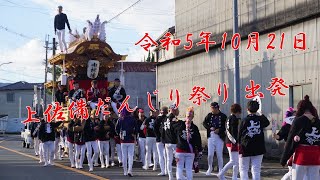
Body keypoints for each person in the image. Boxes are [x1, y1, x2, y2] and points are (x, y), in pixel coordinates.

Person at [281, 95, 320, 180]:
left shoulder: (298, 120)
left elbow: (290, 141)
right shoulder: (318, 121)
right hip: (316, 154)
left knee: (297, 178)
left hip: (302, 154)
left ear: (300, 109)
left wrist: (284, 159)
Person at [238, 100, 270, 180]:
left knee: (243, 169)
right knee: (256, 170)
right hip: (259, 147)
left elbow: (239, 134)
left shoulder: (244, 120)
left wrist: (238, 144)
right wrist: (261, 113)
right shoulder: (260, 119)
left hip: (245, 147)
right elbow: (267, 123)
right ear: (257, 109)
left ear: (247, 109)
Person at [173, 106, 202, 180]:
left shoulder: (179, 124)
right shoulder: (194, 127)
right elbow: (198, 140)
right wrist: (199, 150)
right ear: (193, 117)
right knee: (189, 169)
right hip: (190, 151)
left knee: (179, 168)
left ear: (185, 116)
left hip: (180, 150)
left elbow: (172, 131)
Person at [217, 104, 242, 180]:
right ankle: (221, 174)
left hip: (229, 141)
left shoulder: (229, 118)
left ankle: (234, 176)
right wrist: (236, 141)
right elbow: (233, 132)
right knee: (233, 160)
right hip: (232, 141)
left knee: (236, 161)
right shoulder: (234, 119)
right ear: (237, 111)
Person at [203, 102, 227, 175]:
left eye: (214, 108)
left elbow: (225, 126)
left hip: (219, 137)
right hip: (211, 136)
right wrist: (209, 128)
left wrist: (219, 130)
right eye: (212, 108)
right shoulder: (209, 115)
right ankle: (210, 167)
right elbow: (204, 123)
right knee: (210, 154)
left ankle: (220, 169)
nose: (212, 110)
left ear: (217, 108)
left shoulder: (223, 116)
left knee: (219, 154)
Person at [273, 107, 296, 180]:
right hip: (289, 149)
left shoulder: (300, 124)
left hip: (300, 149)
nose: (296, 115)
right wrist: (274, 134)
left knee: (296, 170)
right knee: (292, 170)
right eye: (294, 113)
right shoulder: (286, 126)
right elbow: (279, 136)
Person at [116, 108, 137, 177]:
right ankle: (130, 170)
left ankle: (125, 171)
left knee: (124, 156)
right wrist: (134, 133)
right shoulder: (133, 119)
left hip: (123, 139)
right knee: (130, 156)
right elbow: (137, 128)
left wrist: (119, 133)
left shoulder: (120, 119)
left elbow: (116, 128)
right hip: (131, 139)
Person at [163, 104, 179, 180]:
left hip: (167, 141)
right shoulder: (174, 118)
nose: (177, 111)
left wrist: (163, 139)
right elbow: (176, 130)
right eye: (176, 109)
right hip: (174, 142)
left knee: (169, 159)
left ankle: (170, 176)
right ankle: (178, 174)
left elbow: (161, 130)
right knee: (178, 159)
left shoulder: (165, 118)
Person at [154, 106, 168, 176]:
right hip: (166, 139)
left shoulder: (158, 119)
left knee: (161, 155)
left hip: (159, 139)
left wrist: (157, 136)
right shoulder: (167, 119)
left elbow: (155, 129)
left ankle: (163, 171)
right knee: (166, 156)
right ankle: (166, 170)